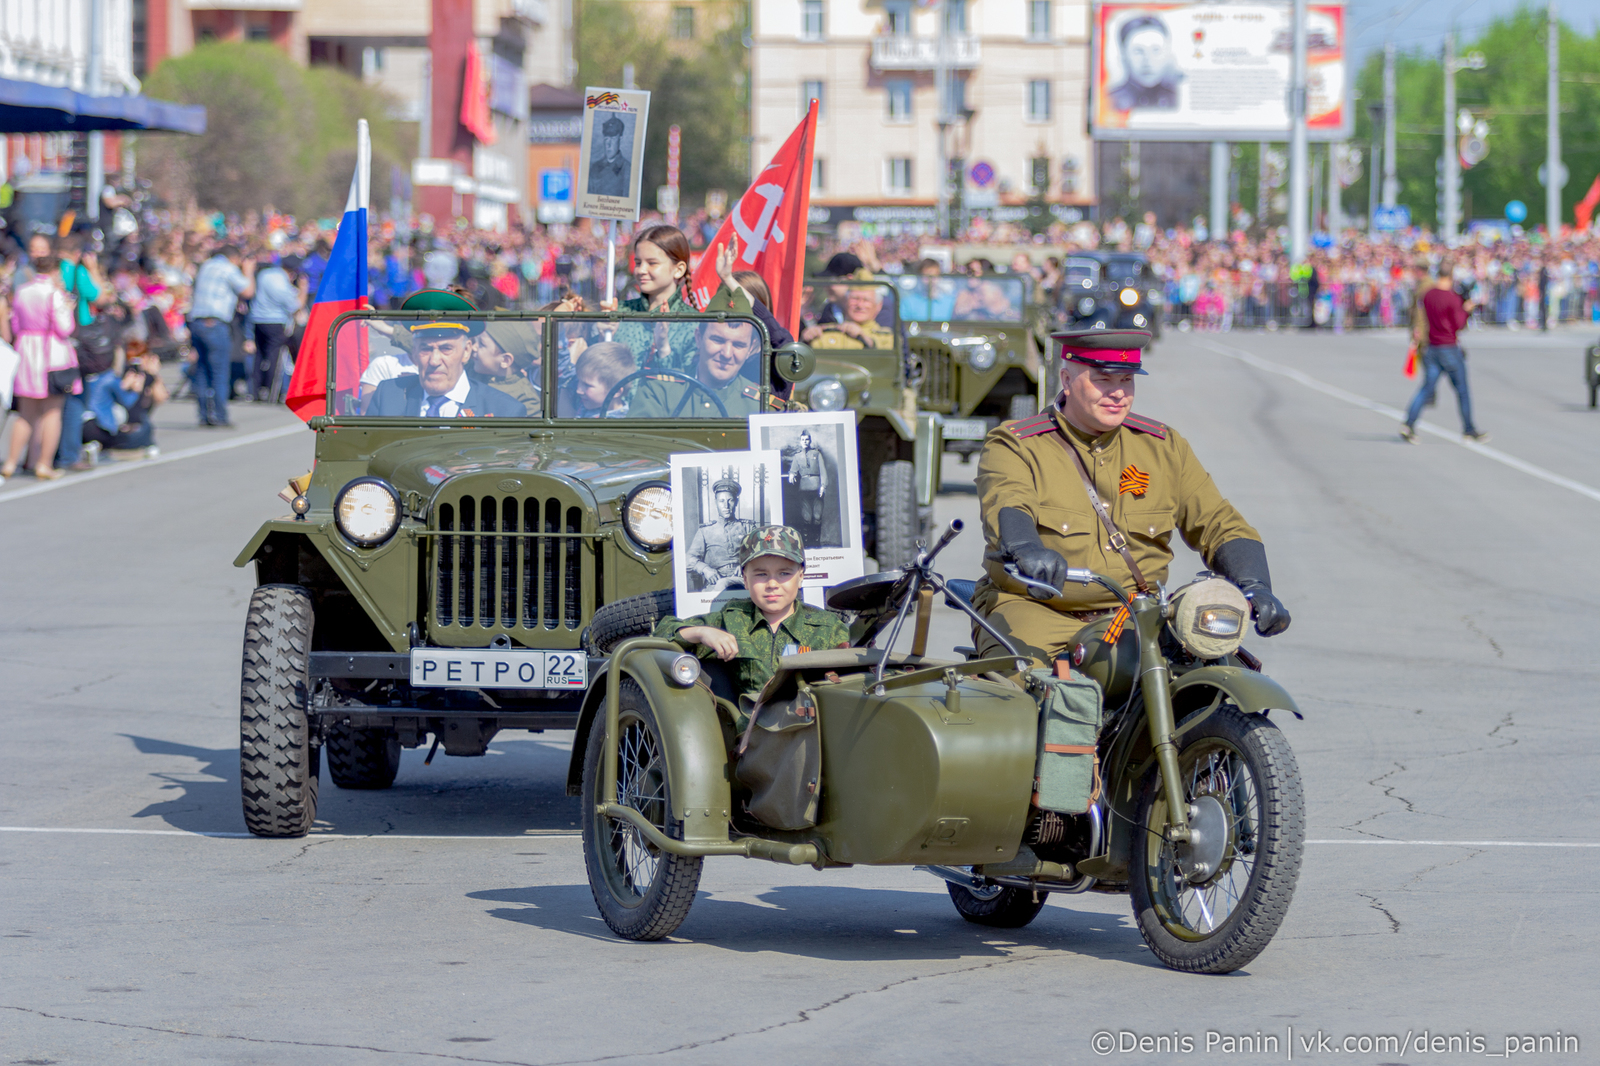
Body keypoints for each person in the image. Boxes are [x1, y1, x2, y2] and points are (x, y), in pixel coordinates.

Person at [972, 329, 1291, 665]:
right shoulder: (1018, 444)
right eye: (1103, 380)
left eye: (1127, 379)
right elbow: (1008, 501)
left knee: (1215, 681)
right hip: (1039, 612)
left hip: (1139, 616)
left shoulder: (1162, 446)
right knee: (1024, 689)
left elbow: (1217, 521)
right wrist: (1026, 548)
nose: (1118, 393)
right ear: (1066, 380)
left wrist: (1255, 584)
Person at [655, 525, 849, 707]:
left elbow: (844, 688)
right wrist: (703, 632)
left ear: (801, 577)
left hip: (806, 727)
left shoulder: (828, 627)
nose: (772, 584)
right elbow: (663, 632)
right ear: (745, 579)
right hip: (750, 731)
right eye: (761, 574)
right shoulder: (733, 619)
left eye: (784, 573)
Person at [363, 292, 525, 418]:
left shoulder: (502, 410)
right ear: (415, 350)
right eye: (425, 349)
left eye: (446, 348)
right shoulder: (389, 395)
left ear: (467, 351)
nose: (434, 360)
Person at [3, 253, 78, 480]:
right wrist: (68, 307)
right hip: (50, 353)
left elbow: (15, 323)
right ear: (55, 271)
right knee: (52, 412)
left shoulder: (23, 291)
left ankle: (11, 461)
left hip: (27, 351)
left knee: (26, 413)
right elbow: (65, 328)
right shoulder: (54, 294)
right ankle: (43, 463)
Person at [1402, 261, 1487, 444]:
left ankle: (1409, 423)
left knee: (1426, 388)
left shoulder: (1428, 295)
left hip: (1432, 346)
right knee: (1462, 390)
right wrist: (1466, 311)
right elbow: (1457, 325)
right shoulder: (1451, 298)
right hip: (1448, 346)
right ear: (1451, 276)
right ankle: (1468, 428)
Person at [627, 318, 775, 418]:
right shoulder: (658, 391)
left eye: (738, 345)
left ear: (750, 349)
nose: (727, 354)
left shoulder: (761, 406)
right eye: (718, 340)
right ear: (698, 338)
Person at [189, 244, 256, 427]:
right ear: (233, 258)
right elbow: (247, 291)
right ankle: (220, 415)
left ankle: (204, 414)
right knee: (219, 371)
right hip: (215, 323)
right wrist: (248, 271)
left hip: (197, 321)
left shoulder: (206, 265)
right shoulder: (227, 268)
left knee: (202, 369)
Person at [82, 339, 167, 457]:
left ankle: (94, 446)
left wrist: (153, 376)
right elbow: (129, 404)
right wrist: (135, 389)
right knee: (145, 429)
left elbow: (161, 397)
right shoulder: (114, 378)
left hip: (85, 422)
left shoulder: (92, 376)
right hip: (100, 426)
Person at [686, 475, 759, 590]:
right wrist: (705, 569)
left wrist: (746, 565)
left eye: (730, 500)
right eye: (721, 501)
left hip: (743, 579)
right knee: (721, 586)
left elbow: (761, 552)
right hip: (716, 581)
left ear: (736, 502)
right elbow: (689, 559)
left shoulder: (747, 527)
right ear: (716, 503)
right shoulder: (705, 531)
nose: (726, 505)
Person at [248, 255, 304, 401]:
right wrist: (303, 290)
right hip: (275, 320)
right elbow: (295, 305)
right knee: (275, 357)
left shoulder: (265, 274)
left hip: (258, 319)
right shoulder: (281, 282)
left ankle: (255, 390)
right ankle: (271, 391)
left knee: (259, 355)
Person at [1108, 14, 1180, 111]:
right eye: (1138, 52)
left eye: (1156, 50)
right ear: (1124, 56)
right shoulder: (1109, 100)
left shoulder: (1177, 98)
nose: (1148, 60)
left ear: (1167, 53)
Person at [471, 321, 541, 415]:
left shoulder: (526, 401)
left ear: (505, 361)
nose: (474, 347)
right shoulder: (469, 368)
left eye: (482, 344)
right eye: (476, 341)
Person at [801, 286, 894, 350]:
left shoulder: (885, 336)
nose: (860, 305)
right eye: (855, 299)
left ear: (878, 306)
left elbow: (886, 359)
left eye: (866, 300)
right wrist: (805, 340)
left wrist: (863, 337)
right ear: (845, 302)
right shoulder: (827, 331)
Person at [562, 341, 636, 417]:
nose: (578, 390)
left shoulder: (617, 425)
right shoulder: (589, 402)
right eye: (579, 381)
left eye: (587, 385)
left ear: (615, 391)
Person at [785, 431, 829, 540]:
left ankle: (816, 538)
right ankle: (808, 539)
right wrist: (791, 474)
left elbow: (823, 471)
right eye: (803, 440)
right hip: (803, 489)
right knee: (807, 517)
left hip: (817, 488)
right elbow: (793, 470)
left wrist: (823, 486)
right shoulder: (797, 456)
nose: (805, 442)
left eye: (807, 439)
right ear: (800, 441)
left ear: (810, 441)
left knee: (817, 516)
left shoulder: (816, 454)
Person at [588, 114, 631, 197]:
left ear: (620, 139)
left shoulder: (627, 170)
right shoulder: (594, 168)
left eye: (613, 139)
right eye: (606, 139)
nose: (608, 144)